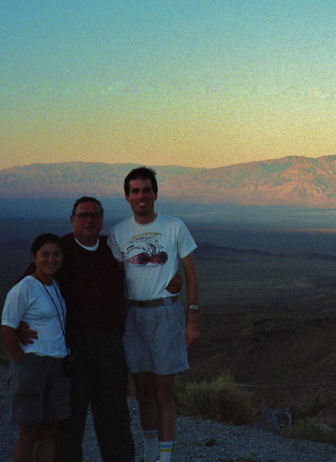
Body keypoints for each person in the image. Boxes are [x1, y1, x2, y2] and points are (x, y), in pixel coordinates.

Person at [17, 197, 182, 462]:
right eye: (82, 215)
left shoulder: (113, 247)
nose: (89, 220)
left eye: (94, 215)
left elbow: (146, 270)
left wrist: (172, 280)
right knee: (71, 416)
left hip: (110, 343)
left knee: (114, 414)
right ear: (72, 220)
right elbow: (29, 284)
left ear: (102, 219)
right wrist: (17, 324)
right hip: (73, 345)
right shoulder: (60, 250)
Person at [108, 167, 200, 462]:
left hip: (166, 314)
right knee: (143, 391)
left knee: (164, 391)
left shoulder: (174, 227)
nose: (141, 195)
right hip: (133, 317)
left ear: (155, 194)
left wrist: (192, 318)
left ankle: (165, 456)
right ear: (127, 197)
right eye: (135, 191)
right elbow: (116, 280)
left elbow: (191, 276)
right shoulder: (119, 233)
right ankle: (149, 454)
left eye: (146, 189)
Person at [1, 233, 72, 462]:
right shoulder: (24, 288)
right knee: (29, 432)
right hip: (33, 363)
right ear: (34, 257)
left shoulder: (55, 285)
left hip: (57, 364)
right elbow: (8, 328)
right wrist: (21, 361)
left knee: (50, 430)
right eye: (45, 255)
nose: (51, 260)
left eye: (56, 254)